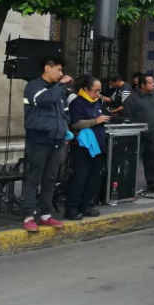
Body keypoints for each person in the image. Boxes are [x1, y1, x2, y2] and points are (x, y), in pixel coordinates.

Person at [22, 56, 71, 232]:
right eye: (58, 70)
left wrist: (65, 128)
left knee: (50, 178)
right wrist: (61, 85)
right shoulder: (34, 86)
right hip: (38, 139)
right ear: (47, 68)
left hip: (56, 140)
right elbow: (44, 100)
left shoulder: (57, 90)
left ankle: (45, 214)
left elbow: (64, 111)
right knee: (34, 177)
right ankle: (28, 215)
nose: (61, 74)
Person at [65, 76, 110, 220]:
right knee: (80, 177)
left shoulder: (97, 102)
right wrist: (95, 121)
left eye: (99, 91)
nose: (98, 94)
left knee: (94, 177)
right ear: (85, 89)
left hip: (98, 146)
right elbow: (75, 124)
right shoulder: (77, 103)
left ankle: (87, 205)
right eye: (95, 91)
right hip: (83, 147)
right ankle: (72, 207)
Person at [124, 74, 154, 192]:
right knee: (132, 160)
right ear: (142, 85)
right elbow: (127, 116)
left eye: (153, 82)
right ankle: (127, 185)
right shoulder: (132, 99)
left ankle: (152, 183)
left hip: (152, 134)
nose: (153, 84)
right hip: (138, 135)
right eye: (150, 83)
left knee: (152, 160)